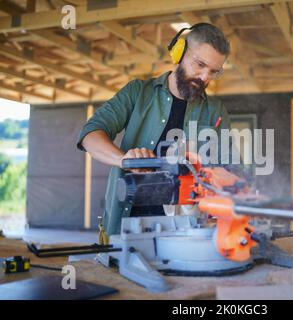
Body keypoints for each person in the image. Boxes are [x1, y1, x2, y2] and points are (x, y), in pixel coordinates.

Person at [76, 23, 231, 235]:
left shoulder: (215, 110)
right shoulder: (138, 93)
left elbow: (228, 167)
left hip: (186, 231)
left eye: (213, 72)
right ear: (180, 52)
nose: (205, 78)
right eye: (200, 64)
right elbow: (90, 134)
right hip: (127, 226)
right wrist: (125, 160)